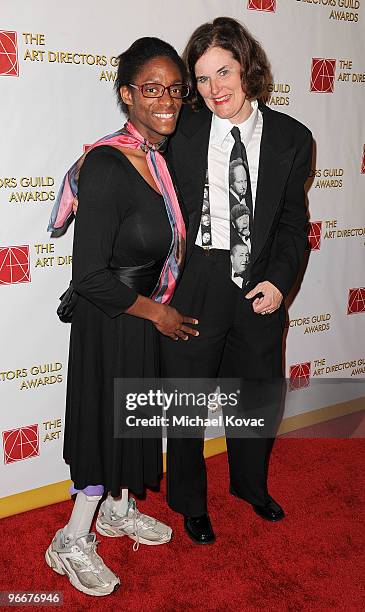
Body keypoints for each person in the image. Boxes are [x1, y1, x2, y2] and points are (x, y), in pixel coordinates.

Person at [45, 37, 197, 595]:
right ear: (127, 95)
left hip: (140, 316)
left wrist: (155, 314)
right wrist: (156, 313)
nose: (167, 100)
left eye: (175, 89)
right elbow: (88, 275)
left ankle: (116, 511)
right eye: (152, 88)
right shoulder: (109, 165)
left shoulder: (158, 161)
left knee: (130, 423)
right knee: (99, 430)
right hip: (111, 316)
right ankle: (71, 538)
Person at [160, 17, 312, 544]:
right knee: (185, 398)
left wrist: (279, 282)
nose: (214, 88)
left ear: (247, 66)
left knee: (256, 396)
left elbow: (294, 224)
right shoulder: (182, 127)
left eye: (223, 71)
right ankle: (189, 501)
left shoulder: (293, 138)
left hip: (258, 282)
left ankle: (250, 486)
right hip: (198, 278)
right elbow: (137, 161)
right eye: (202, 79)